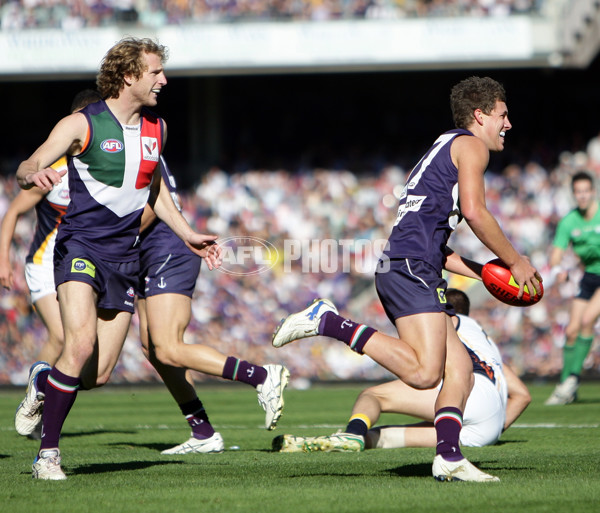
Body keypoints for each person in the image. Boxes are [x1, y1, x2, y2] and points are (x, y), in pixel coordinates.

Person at [273, 76, 542, 482]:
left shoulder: (442, 146)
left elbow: (436, 242)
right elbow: (475, 211)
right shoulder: (470, 146)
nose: (508, 123)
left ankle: (448, 456)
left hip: (410, 264)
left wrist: (483, 272)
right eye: (503, 115)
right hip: (411, 268)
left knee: (461, 374)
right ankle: (329, 321)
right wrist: (514, 261)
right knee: (423, 374)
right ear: (480, 115)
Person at [14, 37, 222, 480]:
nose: (163, 79)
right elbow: (26, 165)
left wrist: (187, 235)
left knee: (98, 374)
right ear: (129, 75)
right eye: (155, 72)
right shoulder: (79, 124)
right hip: (80, 248)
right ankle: (47, 456)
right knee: (80, 343)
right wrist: (36, 172)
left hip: (123, 259)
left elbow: (154, 188)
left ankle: (41, 382)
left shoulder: (157, 128)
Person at [137, 155, 289, 455]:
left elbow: (150, 205)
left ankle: (261, 376)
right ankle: (203, 432)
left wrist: (102, 239)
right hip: (142, 253)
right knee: (152, 349)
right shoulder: (122, 137)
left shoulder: (126, 139)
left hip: (164, 249)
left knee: (168, 347)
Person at [273, 289, 531, 452]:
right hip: (489, 429)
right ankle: (332, 442)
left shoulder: (448, 320)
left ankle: (352, 433)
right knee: (386, 439)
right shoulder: (486, 342)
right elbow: (522, 396)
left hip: (472, 393)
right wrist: (494, 425)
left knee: (373, 396)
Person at [0, 89, 102, 371]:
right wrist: (3, 262)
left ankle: (50, 400)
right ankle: (32, 401)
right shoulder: (53, 170)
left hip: (82, 262)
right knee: (59, 337)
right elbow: (12, 213)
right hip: (44, 264)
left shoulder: (104, 171)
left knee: (87, 353)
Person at [545, 171, 600, 405]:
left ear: (593, 191)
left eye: (586, 191)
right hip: (590, 276)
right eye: (578, 192)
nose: (583, 196)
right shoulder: (569, 221)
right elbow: (556, 254)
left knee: (588, 320)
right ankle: (566, 386)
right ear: (574, 194)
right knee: (570, 331)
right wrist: (559, 271)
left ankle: (572, 379)